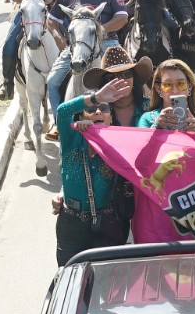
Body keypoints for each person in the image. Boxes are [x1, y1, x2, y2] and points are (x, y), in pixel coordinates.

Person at [54, 47, 152, 265]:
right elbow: (63, 113)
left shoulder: (149, 112)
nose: (120, 81)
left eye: (126, 74)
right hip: (89, 216)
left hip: (140, 200)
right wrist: (64, 191)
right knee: (70, 275)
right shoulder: (79, 133)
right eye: (113, 78)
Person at [45, 0, 129, 115]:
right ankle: (58, 121)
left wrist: (98, 31)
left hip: (107, 42)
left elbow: (122, 18)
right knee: (52, 81)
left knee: (127, 78)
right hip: (76, 45)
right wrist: (58, 38)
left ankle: (127, 117)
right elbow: (51, 20)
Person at [138, 58, 195, 130]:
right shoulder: (147, 119)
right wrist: (157, 126)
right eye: (167, 85)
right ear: (158, 89)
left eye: (181, 84)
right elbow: (141, 143)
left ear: (189, 87)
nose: (175, 90)